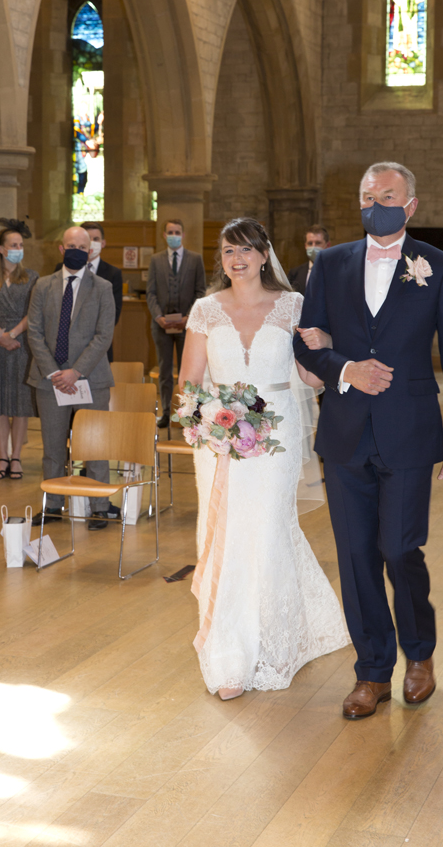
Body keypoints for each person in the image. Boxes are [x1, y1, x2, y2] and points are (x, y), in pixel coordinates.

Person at [294, 162, 443, 720]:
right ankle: (371, 670)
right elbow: (305, 346)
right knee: (354, 558)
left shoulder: (437, 268)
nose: (376, 203)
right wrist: (347, 369)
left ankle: (419, 654)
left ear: (411, 204)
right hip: (346, 432)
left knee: (400, 551)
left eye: (388, 195)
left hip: (409, 432)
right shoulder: (328, 263)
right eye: (367, 195)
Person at [179, 217, 349, 700]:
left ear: (263, 254)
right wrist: (211, 418)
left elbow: (311, 377)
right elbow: (189, 383)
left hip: (277, 434)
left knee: (270, 529)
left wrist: (330, 348)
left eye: (246, 250)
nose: (237, 259)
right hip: (220, 441)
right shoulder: (205, 311)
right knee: (231, 537)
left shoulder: (292, 305)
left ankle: (275, 645)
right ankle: (231, 653)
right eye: (228, 251)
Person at [27, 225, 116, 531]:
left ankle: (99, 507)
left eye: (84, 245)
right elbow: (34, 332)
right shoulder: (43, 285)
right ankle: (52, 505)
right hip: (49, 380)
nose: (78, 250)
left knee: (95, 447)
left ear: (90, 250)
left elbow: (104, 335)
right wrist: (54, 372)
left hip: (90, 378)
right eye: (72, 245)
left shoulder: (102, 287)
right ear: (62, 249)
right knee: (52, 448)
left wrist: (76, 371)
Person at [0, 218, 38, 480]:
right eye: (13, 244)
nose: (18, 248)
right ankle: (1, 457)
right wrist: (1, 336)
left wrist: (13, 334)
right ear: (1, 249)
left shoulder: (32, 277)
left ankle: (16, 458)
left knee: (20, 405)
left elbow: (32, 313)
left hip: (22, 344)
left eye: (21, 244)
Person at [146, 219, 206, 428]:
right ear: (164, 235)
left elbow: (201, 292)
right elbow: (151, 292)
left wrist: (189, 316)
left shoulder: (195, 259)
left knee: (188, 371)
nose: (173, 235)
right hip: (162, 325)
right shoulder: (156, 260)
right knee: (164, 371)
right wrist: (158, 316)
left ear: (183, 234)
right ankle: (165, 412)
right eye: (170, 231)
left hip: (186, 325)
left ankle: (189, 413)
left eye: (177, 232)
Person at [55, 221, 122, 362]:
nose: (92, 242)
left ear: (103, 243)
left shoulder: (112, 274)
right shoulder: (59, 270)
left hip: (96, 348)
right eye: (88, 238)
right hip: (63, 346)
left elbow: (112, 316)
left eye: (96, 239)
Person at [288, 225, 331, 296]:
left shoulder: (337, 271)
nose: (313, 247)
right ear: (305, 246)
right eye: (310, 243)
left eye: (318, 243)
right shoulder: (295, 274)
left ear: (328, 245)